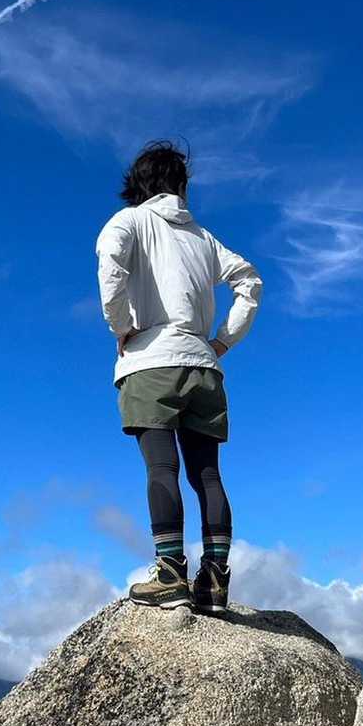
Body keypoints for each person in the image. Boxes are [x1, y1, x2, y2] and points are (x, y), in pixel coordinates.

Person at [95, 140, 263, 613]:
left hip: (151, 361)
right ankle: (215, 580)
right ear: (181, 185)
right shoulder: (204, 239)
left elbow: (111, 266)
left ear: (138, 184)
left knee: (161, 468)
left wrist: (122, 326)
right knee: (207, 474)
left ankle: (170, 573)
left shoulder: (128, 221)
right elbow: (250, 282)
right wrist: (222, 341)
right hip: (204, 366)